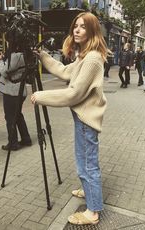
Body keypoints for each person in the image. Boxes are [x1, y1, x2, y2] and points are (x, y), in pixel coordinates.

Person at [31, 12, 107, 225]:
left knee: (87, 163)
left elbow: (73, 93)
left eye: (83, 27)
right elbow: (65, 71)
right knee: (85, 159)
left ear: (92, 31)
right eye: (76, 25)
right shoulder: (85, 56)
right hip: (82, 117)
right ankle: (89, 192)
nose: (76, 30)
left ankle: (92, 212)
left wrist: (40, 96)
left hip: (86, 119)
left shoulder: (91, 59)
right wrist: (43, 55)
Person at [0, 44, 32, 151]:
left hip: (13, 91)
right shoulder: (25, 53)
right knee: (18, 115)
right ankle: (26, 139)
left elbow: (5, 72)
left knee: (10, 117)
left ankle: (13, 143)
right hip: (19, 90)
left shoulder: (16, 55)